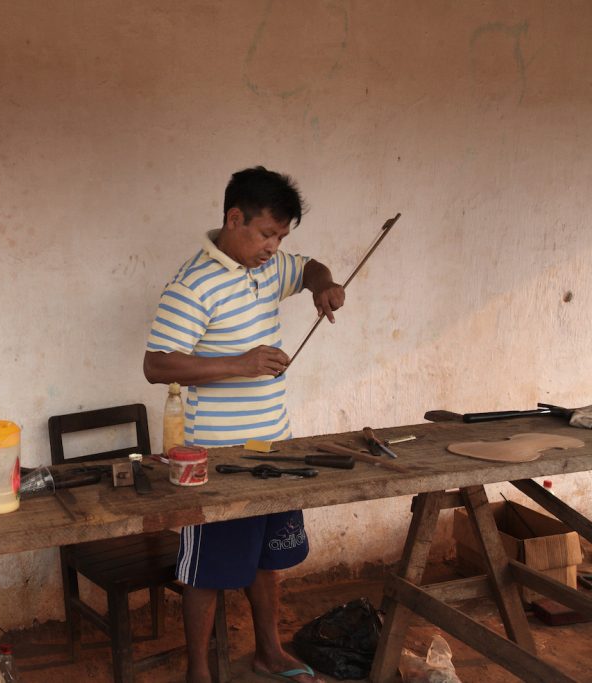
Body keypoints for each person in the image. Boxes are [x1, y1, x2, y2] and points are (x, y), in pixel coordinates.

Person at [142, 166, 344, 683]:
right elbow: (158, 364)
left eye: (281, 236)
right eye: (266, 234)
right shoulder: (194, 284)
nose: (274, 246)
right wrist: (241, 363)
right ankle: (200, 673)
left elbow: (310, 267)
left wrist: (324, 286)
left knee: (264, 558)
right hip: (217, 457)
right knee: (206, 571)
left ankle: (268, 652)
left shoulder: (270, 268)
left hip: (272, 446)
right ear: (234, 218)